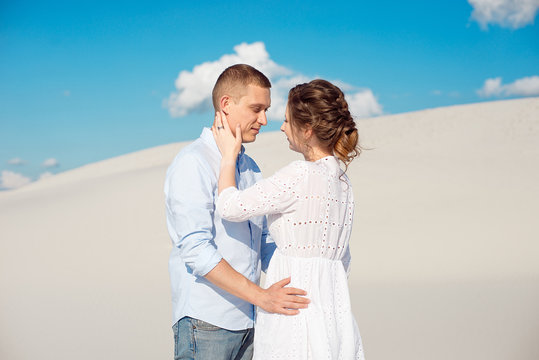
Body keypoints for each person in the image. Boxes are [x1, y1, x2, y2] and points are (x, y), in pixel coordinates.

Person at [164, 64, 310, 360]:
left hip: (251, 322)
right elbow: (195, 250)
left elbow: (265, 242)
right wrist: (263, 297)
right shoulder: (193, 162)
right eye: (256, 109)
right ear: (226, 104)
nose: (264, 120)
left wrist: (309, 273)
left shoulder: (250, 167)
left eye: (267, 110)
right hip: (207, 323)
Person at [213, 79, 365, 359]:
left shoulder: (299, 175)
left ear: (307, 130)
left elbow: (230, 207)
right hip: (333, 309)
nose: (281, 127)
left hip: (292, 306)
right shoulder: (344, 183)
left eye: (286, 121)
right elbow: (344, 259)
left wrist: (228, 157)